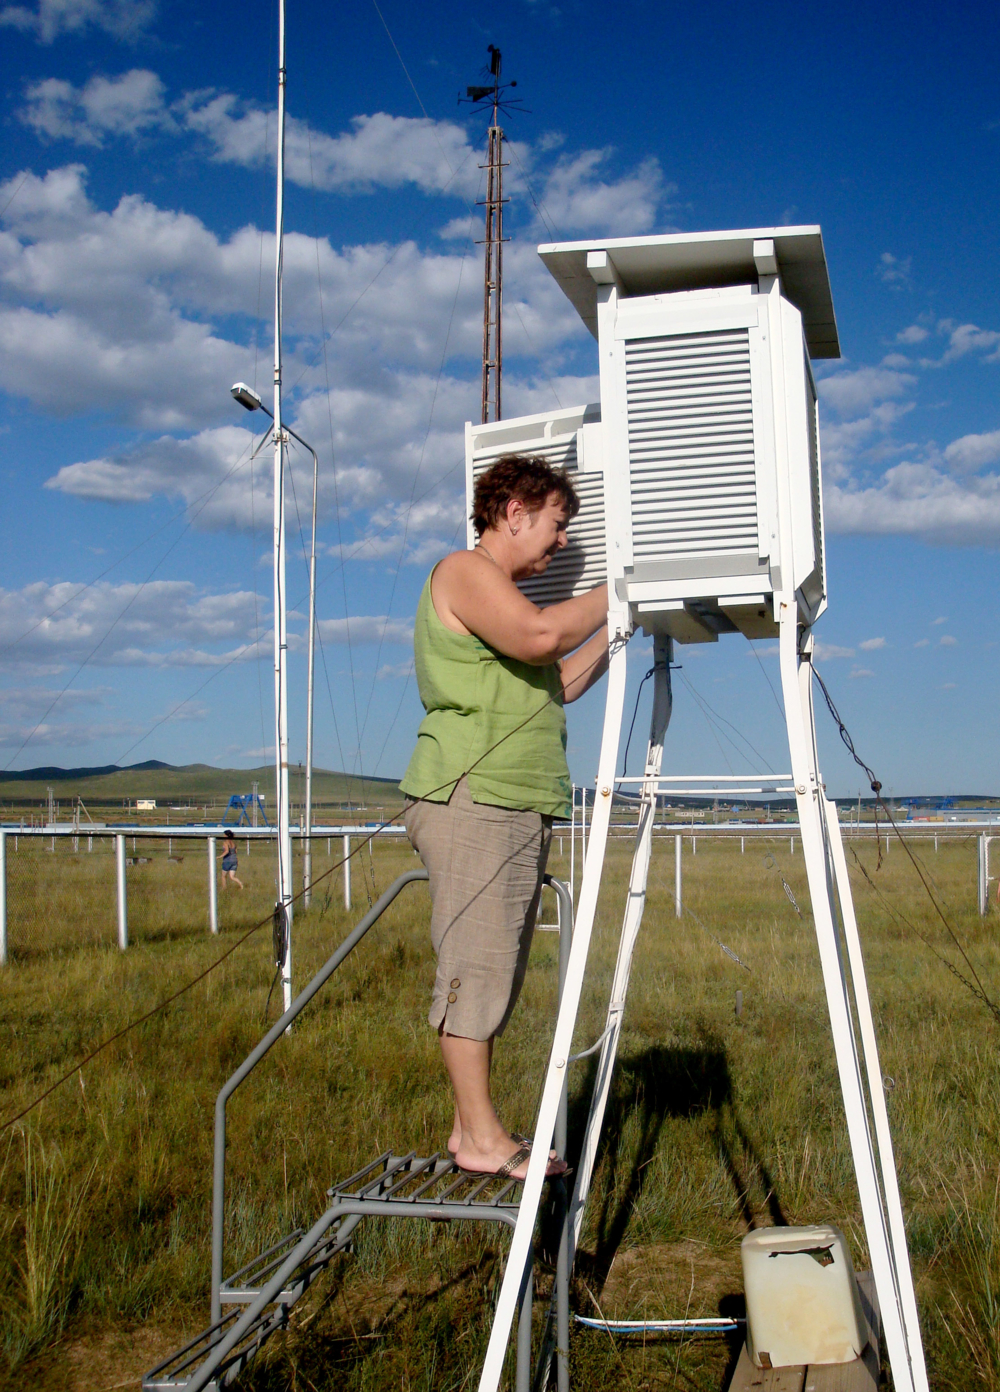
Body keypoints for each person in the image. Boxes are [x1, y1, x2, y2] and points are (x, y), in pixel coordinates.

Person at [400, 453, 609, 1181]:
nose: (560, 544)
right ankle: (484, 1140)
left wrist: (622, 628)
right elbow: (543, 639)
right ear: (514, 513)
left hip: (514, 800)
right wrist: (621, 589)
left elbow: (559, 677)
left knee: (496, 972)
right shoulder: (463, 570)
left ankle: (472, 1131)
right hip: (474, 797)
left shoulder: (509, 603)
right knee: (476, 970)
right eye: (556, 526)